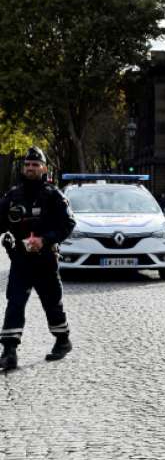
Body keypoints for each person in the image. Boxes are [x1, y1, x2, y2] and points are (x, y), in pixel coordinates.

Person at [0, 147, 76, 371]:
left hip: (45, 260)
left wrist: (45, 240)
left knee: (52, 304)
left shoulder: (53, 195)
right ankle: (9, 351)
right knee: (15, 303)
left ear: (43, 168)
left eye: (35, 165)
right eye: (27, 165)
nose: (30, 168)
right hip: (21, 261)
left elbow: (68, 224)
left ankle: (63, 340)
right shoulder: (13, 195)